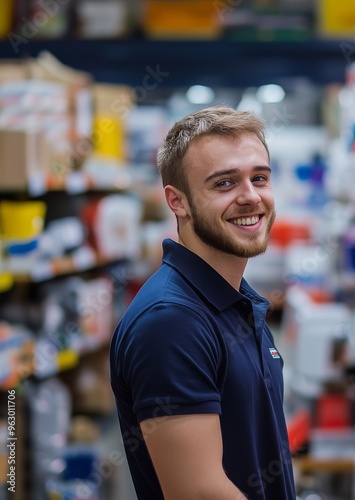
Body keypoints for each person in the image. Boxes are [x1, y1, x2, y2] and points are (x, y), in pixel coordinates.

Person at [109, 105, 296, 499]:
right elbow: (198, 492)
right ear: (178, 202)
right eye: (224, 184)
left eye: (259, 178)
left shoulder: (235, 300)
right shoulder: (172, 321)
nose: (250, 197)